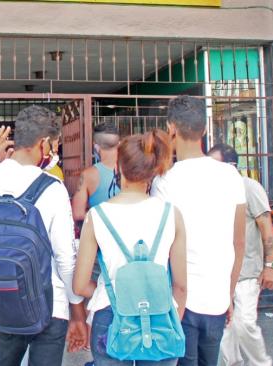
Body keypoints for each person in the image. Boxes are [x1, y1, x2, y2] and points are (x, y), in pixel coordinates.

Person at [0, 105, 88, 366]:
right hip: (48, 305)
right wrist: (77, 311)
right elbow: (65, 258)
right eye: (54, 145)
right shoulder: (52, 188)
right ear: (44, 143)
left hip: (0, 296)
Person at [73, 129, 187, 366]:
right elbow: (180, 285)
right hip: (160, 313)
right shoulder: (171, 214)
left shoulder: (97, 216)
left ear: (118, 168)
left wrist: (107, 290)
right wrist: (174, 318)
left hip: (110, 316)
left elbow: (80, 285)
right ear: (153, 170)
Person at [151, 96, 247, 366]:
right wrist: (228, 294)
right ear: (204, 130)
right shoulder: (230, 176)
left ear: (171, 128)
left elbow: (162, 245)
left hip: (180, 299)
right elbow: (238, 241)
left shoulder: (165, 180)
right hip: (217, 294)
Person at [209, 144, 273, 366]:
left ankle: (261, 363)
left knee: (245, 322)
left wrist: (271, 266)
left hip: (248, 270)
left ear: (231, 166)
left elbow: (266, 227)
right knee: (226, 325)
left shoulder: (250, 187)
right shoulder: (210, 190)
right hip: (220, 270)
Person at [72, 122, 121, 224]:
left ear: (96, 146)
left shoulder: (88, 175)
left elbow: (78, 214)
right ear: (119, 144)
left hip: (100, 235)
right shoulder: (132, 169)